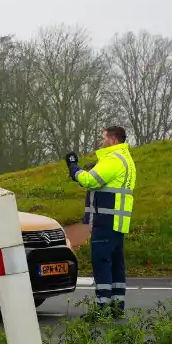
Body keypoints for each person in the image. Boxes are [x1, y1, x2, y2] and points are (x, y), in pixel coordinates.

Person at [66, 125, 137, 318]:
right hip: (118, 222)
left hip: (105, 221)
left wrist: (73, 168)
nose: (102, 141)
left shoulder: (113, 159)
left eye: (104, 137)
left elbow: (90, 180)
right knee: (116, 264)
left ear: (113, 140)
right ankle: (116, 305)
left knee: (101, 262)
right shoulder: (127, 160)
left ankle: (102, 308)